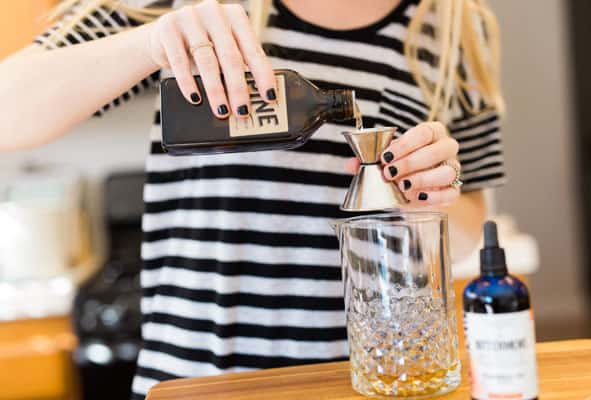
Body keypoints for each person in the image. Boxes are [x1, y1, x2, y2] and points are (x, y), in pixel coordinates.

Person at [0, 0, 506, 398]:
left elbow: (467, 236)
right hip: (200, 382)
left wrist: (429, 194)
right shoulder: (188, 4)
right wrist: (155, 42)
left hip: (364, 382)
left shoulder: (455, 24)